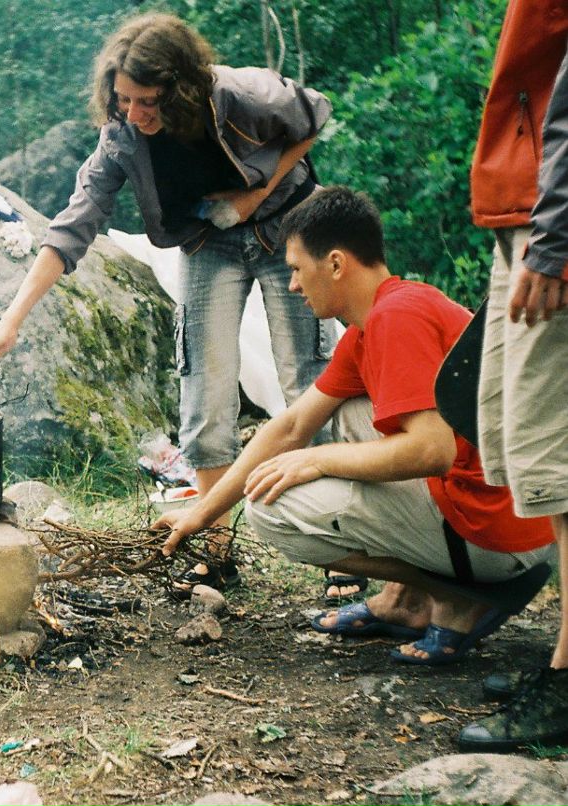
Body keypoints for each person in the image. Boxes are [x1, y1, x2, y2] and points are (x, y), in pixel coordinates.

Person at [0, 12, 341, 598]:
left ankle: (340, 553)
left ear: (183, 90)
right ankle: (217, 549)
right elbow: (73, 226)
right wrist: (10, 321)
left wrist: (257, 193)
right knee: (205, 390)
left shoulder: (240, 94)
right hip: (208, 242)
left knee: (305, 381)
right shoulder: (120, 137)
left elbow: (313, 115)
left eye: (148, 101)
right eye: (122, 100)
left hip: (285, 230)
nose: (135, 113)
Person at [156, 187, 556, 665]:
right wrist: (200, 514)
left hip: (502, 531)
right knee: (346, 412)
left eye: (298, 270)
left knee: (272, 507)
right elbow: (291, 426)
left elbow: (433, 450)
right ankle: (404, 601)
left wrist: (316, 458)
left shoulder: (396, 318)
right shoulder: (380, 318)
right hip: (513, 516)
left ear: (337, 264)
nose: (293, 287)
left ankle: (462, 596)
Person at [456, 0, 568, 751]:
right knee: (531, 458)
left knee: (557, 466)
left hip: (547, 218)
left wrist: (556, 240)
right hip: (519, 207)